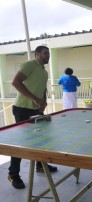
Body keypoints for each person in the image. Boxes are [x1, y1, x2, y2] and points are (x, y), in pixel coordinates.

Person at [8, 46, 58, 189]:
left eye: (48, 53)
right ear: (37, 54)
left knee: (41, 138)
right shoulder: (29, 65)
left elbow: (43, 88)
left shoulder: (44, 71)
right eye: (45, 53)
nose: (47, 55)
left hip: (35, 109)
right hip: (22, 108)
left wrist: (43, 101)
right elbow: (15, 82)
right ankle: (13, 174)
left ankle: (41, 166)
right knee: (22, 143)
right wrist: (35, 99)